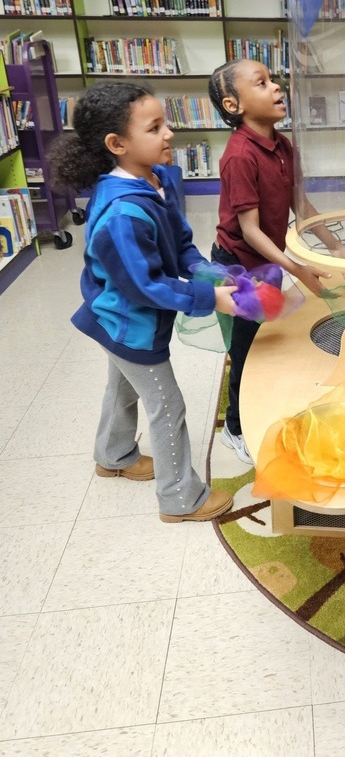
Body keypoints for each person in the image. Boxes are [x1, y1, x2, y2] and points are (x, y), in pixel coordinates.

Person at [48, 81, 236, 523]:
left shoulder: (156, 179)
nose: (169, 134)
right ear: (117, 144)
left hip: (122, 321)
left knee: (123, 388)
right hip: (127, 324)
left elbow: (180, 244)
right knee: (166, 404)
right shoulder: (121, 213)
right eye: (155, 127)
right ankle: (179, 498)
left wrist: (209, 273)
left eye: (165, 122)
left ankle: (112, 456)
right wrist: (209, 298)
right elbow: (145, 286)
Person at [208, 58, 345, 464]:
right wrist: (298, 268)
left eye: (274, 79)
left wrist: (334, 245)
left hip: (266, 262)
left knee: (265, 342)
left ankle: (255, 409)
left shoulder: (284, 145)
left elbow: (299, 203)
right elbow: (250, 231)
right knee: (248, 350)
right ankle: (235, 428)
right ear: (234, 105)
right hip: (239, 266)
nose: (276, 87)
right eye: (262, 83)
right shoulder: (238, 157)